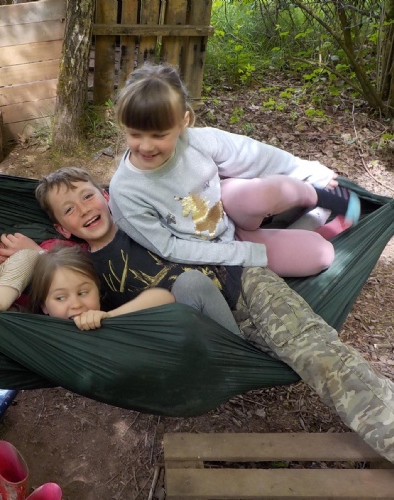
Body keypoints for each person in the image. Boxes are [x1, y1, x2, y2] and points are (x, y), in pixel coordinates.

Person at [35, 166, 394, 464]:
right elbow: (62, 303)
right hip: (220, 335)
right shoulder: (90, 273)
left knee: (317, 353)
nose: (83, 209)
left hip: (244, 279)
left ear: (106, 195)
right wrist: (33, 259)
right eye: (69, 209)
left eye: (87, 196)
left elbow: (191, 185)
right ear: (63, 229)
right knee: (311, 354)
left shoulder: (139, 210)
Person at [108, 62, 361, 277]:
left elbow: (254, 156)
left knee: (263, 194)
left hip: (230, 207)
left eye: (159, 135)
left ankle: (317, 195)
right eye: (135, 134)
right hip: (212, 252)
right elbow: (168, 248)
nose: (146, 146)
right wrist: (242, 254)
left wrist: (310, 171)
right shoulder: (126, 190)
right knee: (322, 255)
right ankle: (313, 222)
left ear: (183, 122)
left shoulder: (197, 141)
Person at [29, 244, 241, 335]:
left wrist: (108, 316)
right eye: (60, 298)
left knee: (191, 282)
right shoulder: (43, 340)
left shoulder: (109, 316)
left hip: (197, 342)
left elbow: (164, 296)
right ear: (43, 306)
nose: (75, 304)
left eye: (83, 292)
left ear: (98, 292)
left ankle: (241, 348)